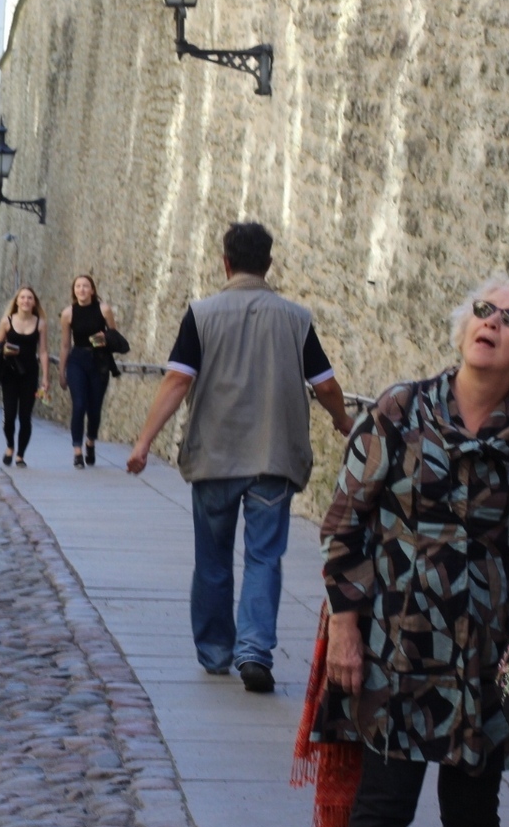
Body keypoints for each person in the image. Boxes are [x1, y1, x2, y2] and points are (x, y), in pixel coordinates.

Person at [315, 276, 509, 827]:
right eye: (483, 311)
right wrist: (344, 629)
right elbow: (344, 524)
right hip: (396, 648)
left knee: (474, 818)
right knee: (383, 807)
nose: (492, 323)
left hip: (484, 655)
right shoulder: (401, 409)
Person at [127, 222, 353, 693]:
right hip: (273, 457)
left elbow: (177, 381)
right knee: (264, 557)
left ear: (225, 262)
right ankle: (255, 652)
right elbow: (327, 385)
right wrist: (343, 421)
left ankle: (215, 652)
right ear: (269, 264)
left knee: (212, 558)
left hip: (214, 456)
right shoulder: (296, 318)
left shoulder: (202, 314)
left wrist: (144, 441)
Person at [60, 275, 119, 469]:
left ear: (92, 290)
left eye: (86, 286)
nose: (82, 289)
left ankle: (90, 441)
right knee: (79, 405)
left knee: (94, 408)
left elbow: (115, 336)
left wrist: (105, 336)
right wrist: (62, 371)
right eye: (78, 286)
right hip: (77, 360)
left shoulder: (104, 309)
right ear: (74, 290)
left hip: (99, 361)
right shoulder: (68, 313)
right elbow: (65, 344)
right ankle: (77, 451)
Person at [0, 286, 51, 468]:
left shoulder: (40, 323)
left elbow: (43, 351)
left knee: (25, 416)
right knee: (9, 415)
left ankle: (20, 455)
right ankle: (10, 445)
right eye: (23, 297)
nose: (26, 301)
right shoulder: (6, 321)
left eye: (30, 298)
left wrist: (45, 377)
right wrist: (5, 350)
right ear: (16, 301)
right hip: (9, 372)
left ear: (34, 302)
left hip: (29, 373)